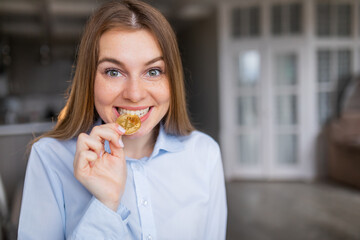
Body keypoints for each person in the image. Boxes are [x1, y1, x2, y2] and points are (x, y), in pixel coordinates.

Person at [18, 0, 227, 239]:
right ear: (90, 79)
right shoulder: (49, 159)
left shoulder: (205, 154)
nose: (135, 94)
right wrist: (106, 204)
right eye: (113, 72)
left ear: (172, 80)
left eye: (153, 71)